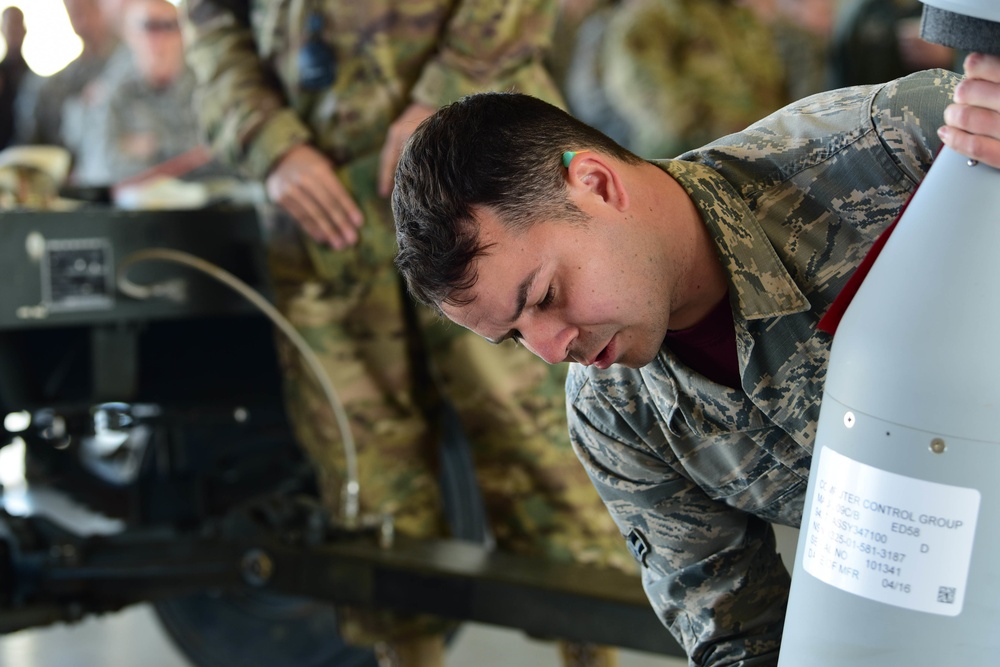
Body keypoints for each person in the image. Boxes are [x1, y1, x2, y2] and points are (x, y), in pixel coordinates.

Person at [391, 54, 1000, 665]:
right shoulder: (617, 416)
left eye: (545, 296)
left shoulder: (899, 147)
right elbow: (740, 634)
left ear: (597, 184)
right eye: (515, 336)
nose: (552, 351)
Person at [177, 2, 632, 666]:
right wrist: (268, 143)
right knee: (369, 479)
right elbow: (211, 22)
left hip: (482, 165)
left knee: (545, 444)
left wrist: (443, 101)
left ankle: (594, 652)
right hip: (324, 206)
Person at [72, 0, 210, 185]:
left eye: (171, 26)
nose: (161, 39)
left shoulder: (206, 86)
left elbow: (226, 161)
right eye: (149, 27)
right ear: (129, 34)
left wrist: (152, 147)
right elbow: (99, 172)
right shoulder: (110, 93)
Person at [15, 0, 118, 150]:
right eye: (73, 13)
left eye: (83, 10)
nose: (80, 21)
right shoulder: (64, 77)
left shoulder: (128, 58)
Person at [0, 6, 28, 149]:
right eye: (10, 26)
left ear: (24, 30)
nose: (14, 31)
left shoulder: (33, 80)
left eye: (17, 25)